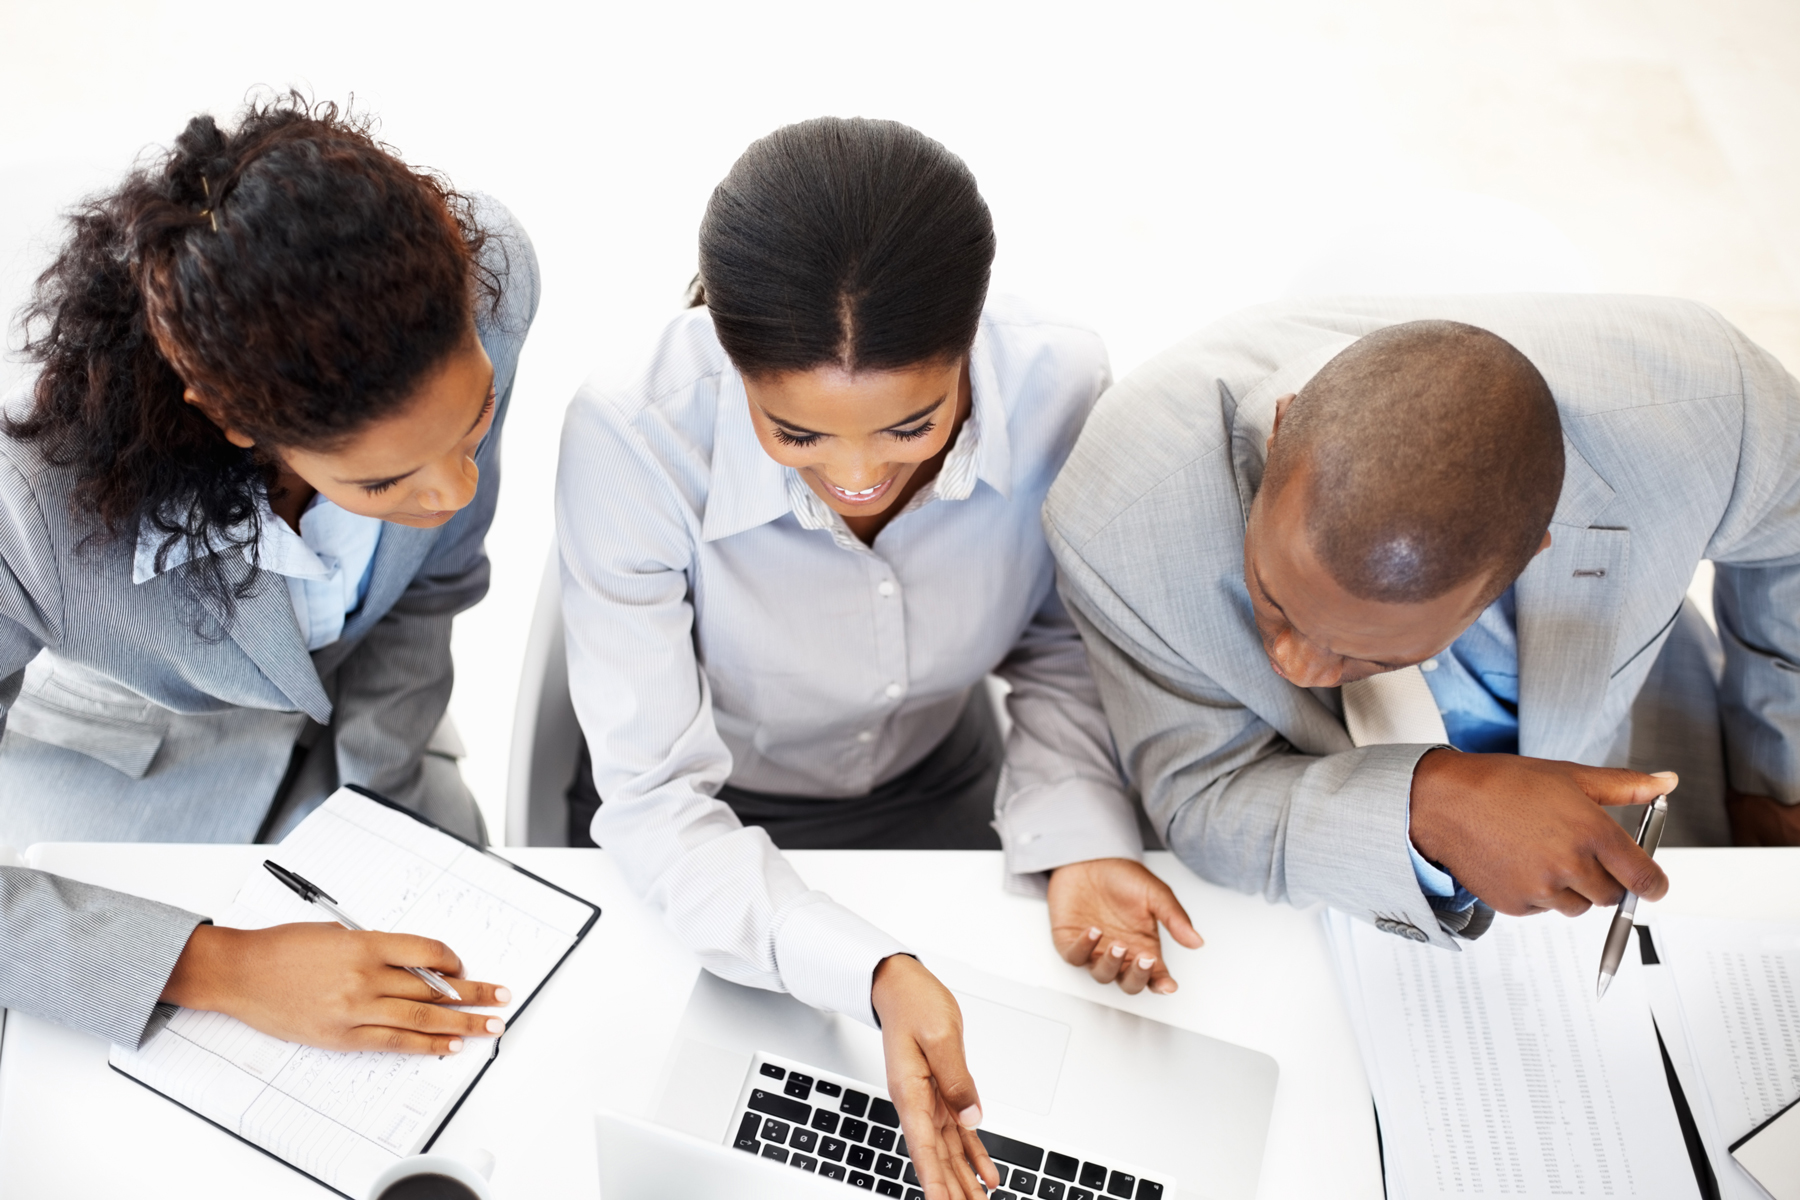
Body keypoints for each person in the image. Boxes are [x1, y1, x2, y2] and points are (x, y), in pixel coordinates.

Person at [556, 117, 1198, 1200]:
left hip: (946, 784)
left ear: (971, 341)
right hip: (713, 824)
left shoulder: (1062, 382)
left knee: (1075, 1095)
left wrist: (1080, 830)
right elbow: (656, 798)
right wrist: (872, 973)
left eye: (913, 424)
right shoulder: (630, 432)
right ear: (726, 352)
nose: (856, 476)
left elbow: (1063, 640)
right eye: (794, 433)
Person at [0, 95, 537, 1056]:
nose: (454, 491)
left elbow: (430, 591)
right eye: (381, 479)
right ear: (233, 420)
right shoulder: (29, 509)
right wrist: (222, 966)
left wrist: (384, 821)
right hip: (132, 799)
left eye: (476, 424)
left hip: (381, 744)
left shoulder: (487, 285)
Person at [1043, 296, 1800, 948]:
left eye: (1363, 656)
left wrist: (1777, 778)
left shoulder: (1709, 411)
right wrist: (1432, 807)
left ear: (1528, 555)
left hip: (1663, 759)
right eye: (1275, 598)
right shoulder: (1116, 521)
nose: (1290, 663)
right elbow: (1201, 797)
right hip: (1327, 893)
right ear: (1281, 431)